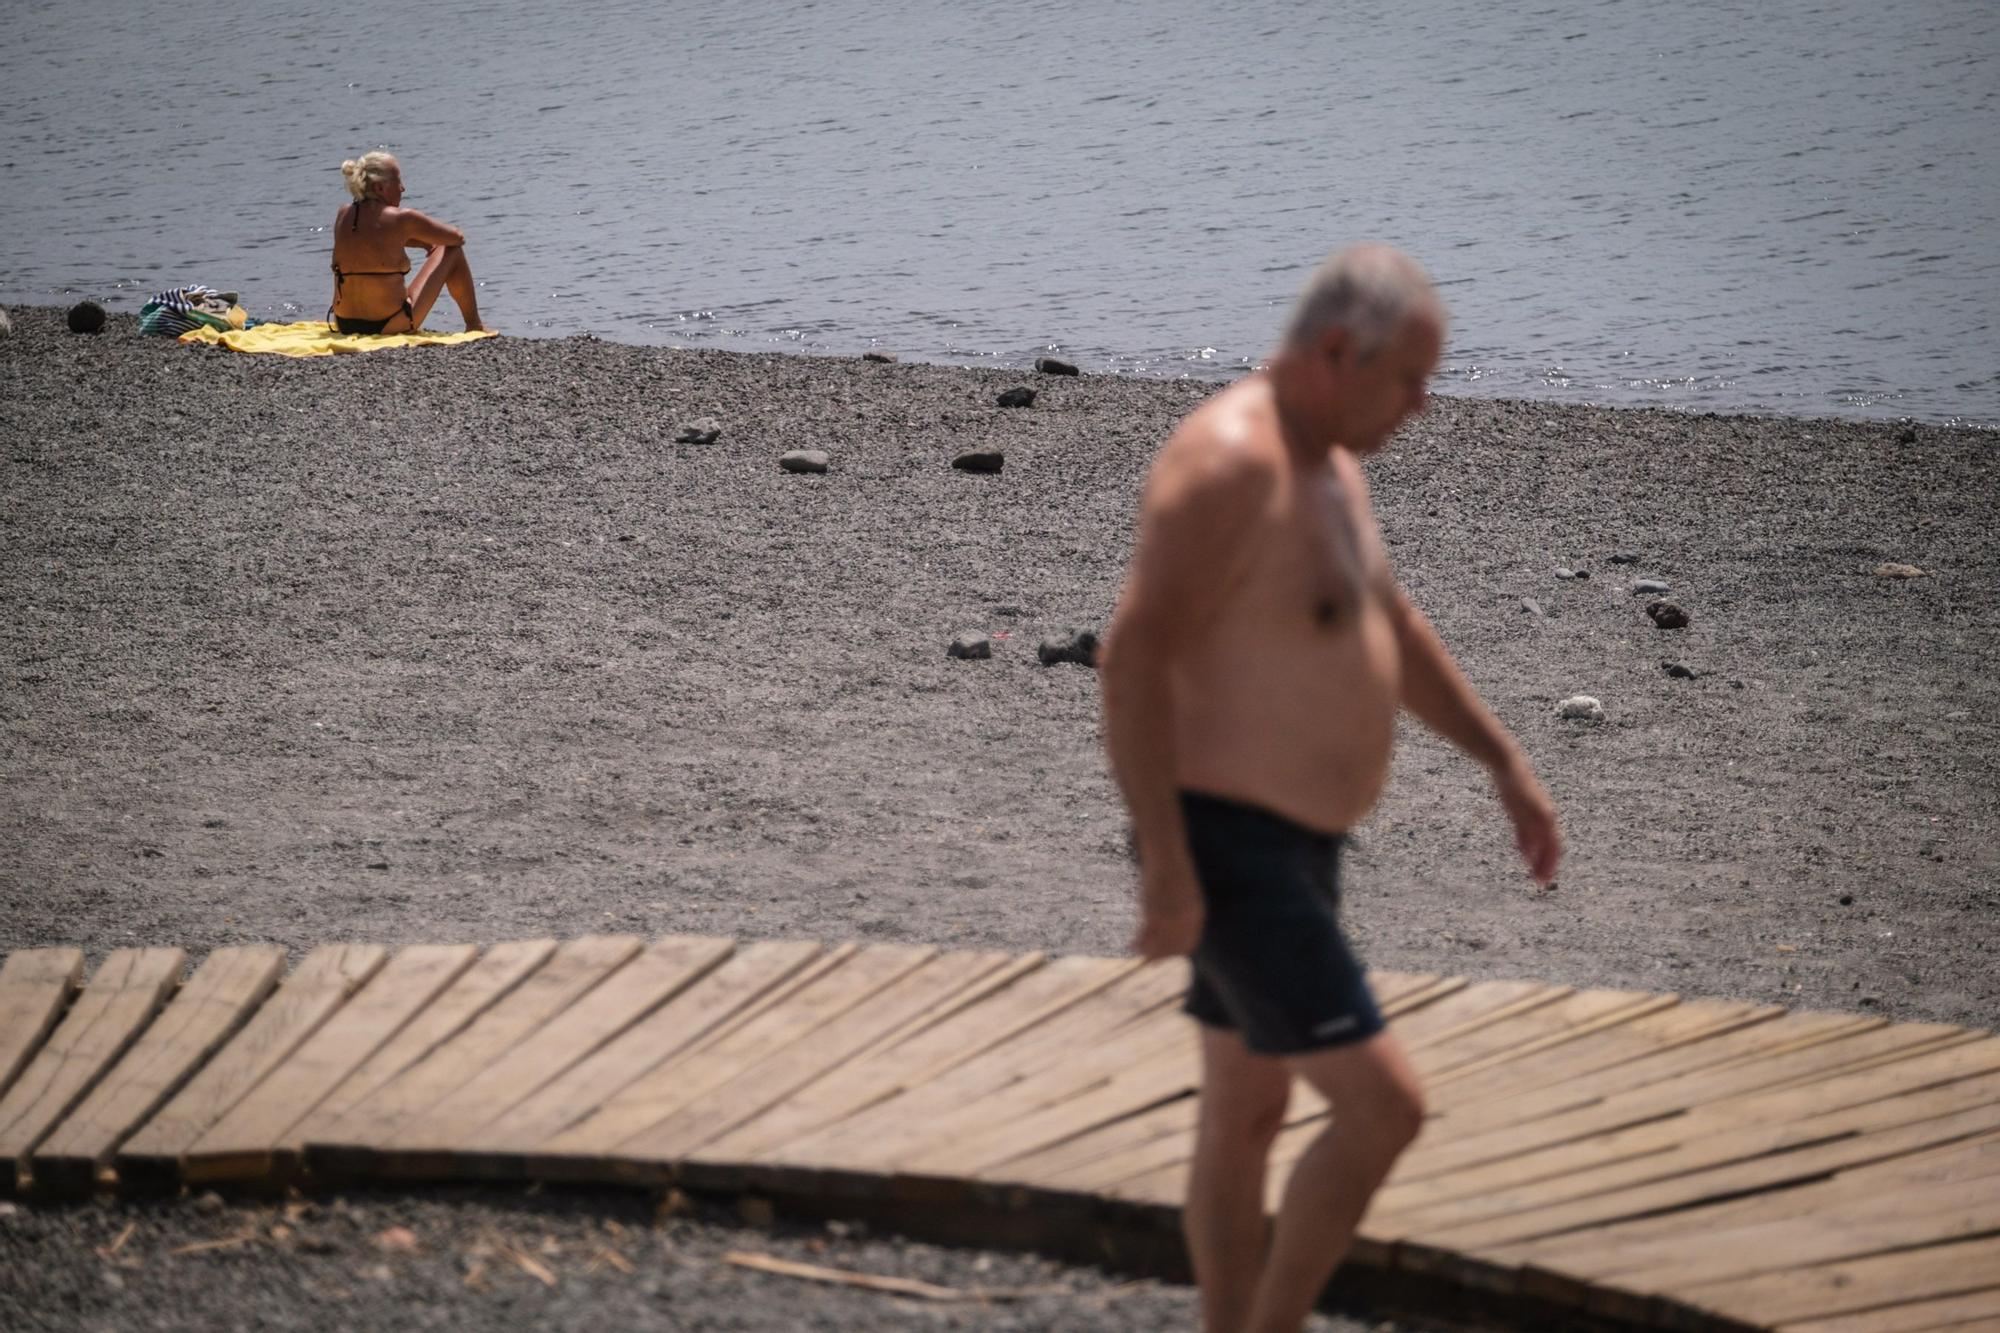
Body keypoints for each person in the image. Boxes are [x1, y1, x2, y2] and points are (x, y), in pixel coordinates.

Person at [1099, 243, 1561, 1333]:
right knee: (1380, 1112)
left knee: (1247, 1104)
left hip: (1297, 842)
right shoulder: (1227, 466)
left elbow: (1388, 630)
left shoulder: (1329, 464)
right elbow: (1131, 658)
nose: (1421, 406)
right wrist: (1166, 864)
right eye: (1408, 379)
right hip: (1225, 844)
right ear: (1336, 352)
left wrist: (1503, 763)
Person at [329, 151, 485, 335]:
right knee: (453, 251)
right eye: (398, 181)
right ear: (379, 188)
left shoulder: (344, 214)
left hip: (344, 323)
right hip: (391, 323)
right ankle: (474, 325)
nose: (403, 188)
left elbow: (375, 238)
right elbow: (457, 237)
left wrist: (422, 243)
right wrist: (431, 243)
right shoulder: (403, 218)